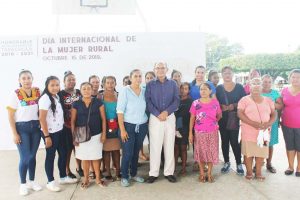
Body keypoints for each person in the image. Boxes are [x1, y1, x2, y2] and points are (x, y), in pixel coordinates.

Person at [39, 76, 78, 192]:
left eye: (57, 85)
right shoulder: (45, 98)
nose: (55, 87)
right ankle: (50, 181)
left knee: (63, 153)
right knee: (51, 156)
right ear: (47, 86)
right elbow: (42, 118)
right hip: (50, 133)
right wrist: (46, 136)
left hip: (60, 131)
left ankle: (63, 177)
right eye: (52, 85)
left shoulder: (56, 96)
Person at [7, 70, 42, 196]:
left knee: (32, 156)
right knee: (25, 157)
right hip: (22, 128)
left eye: (28, 78)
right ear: (19, 80)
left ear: (32, 79)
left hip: (36, 128)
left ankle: (32, 181)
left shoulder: (38, 91)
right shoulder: (15, 93)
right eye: (24, 78)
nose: (26, 80)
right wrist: (14, 133)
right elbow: (10, 115)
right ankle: (23, 184)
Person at [145, 62, 180, 184]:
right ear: (154, 69)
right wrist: (157, 113)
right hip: (155, 118)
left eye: (162, 68)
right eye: (158, 68)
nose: (160, 70)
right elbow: (148, 101)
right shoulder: (150, 85)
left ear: (167, 69)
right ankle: (153, 173)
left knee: (169, 144)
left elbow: (176, 100)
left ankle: (169, 172)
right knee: (155, 146)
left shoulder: (173, 84)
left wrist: (166, 112)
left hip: (169, 117)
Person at [238, 77, 276, 181]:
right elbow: (240, 113)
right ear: (249, 87)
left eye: (258, 83)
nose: (256, 86)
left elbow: (274, 113)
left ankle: (258, 172)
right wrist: (253, 123)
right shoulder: (244, 100)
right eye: (253, 84)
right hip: (248, 132)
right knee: (248, 154)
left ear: (262, 87)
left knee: (261, 154)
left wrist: (269, 123)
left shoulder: (268, 100)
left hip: (263, 133)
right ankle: (249, 172)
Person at [71, 82, 107, 189]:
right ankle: (86, 179)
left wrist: (104, 134)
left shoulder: (98, 102)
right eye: (84, 89)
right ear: (80, 91)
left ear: (92, 90)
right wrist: (74, 137)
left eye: (88, 88)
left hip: (97, 134)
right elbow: (72, 121)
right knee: (84, 158)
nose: (86, 90)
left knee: (96, 157)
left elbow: (103, 119)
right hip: (81, 136)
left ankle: (97, 178)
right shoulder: (76, 104)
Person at [117, 69, 149, 187]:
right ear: (130, 78)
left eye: (140, 76)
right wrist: (123, 130)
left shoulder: (144, 91)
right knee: (128, 153)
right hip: (128, 126)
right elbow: (120, 111)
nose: (138, 78)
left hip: (141, 126)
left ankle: (134, 174)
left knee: (136, 152)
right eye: (135, 76)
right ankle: (124, 176)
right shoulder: (125, 91)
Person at [189, 83, 222, 183]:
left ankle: (209, 173)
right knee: (201, 153)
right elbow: (192, 118)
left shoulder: (215, 102)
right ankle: (202, 173)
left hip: (212, 132)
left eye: (205, 89)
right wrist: (190, 133)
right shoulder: (195, 103)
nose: (203, 91)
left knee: (211, 152)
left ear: (210, 91)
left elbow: (219, 115)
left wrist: (213, 123)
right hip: (199, 132)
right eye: (201, 89)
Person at [216, 66, 246, 175]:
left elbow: (244, 102)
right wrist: (220, 107)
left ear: (232, 74)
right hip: (222, 118)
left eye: (229, 73)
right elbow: (215, 103)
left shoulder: (239, 87)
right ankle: (226, 162)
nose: (227, 75)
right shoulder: (219, 88)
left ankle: (238, 163)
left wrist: (233, 105)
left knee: (234, 141)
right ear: (222, 75)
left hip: (234, 118)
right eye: (225, 73)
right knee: (224, 141)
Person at [189, 65, 216, 171]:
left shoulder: (209, 84)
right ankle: (198, 160)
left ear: (205, 74)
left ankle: (206, 161)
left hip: (208, 119)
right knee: (197, 139)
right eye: (198, 72)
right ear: (195, 73)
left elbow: (214, 100)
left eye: (202, 72)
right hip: (194, 115)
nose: (200, 75)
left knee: (208, 142)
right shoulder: (191, 85)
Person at [59, 71, 81, 179]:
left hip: (79, 126)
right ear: (64, 82)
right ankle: (67, 170)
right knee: (68, 149)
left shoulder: (79, 92)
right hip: (66, 126)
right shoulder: (60, 94)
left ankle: (79, 167)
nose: (72, 81)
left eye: (73, 79)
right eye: (69, 80)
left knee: (78, 148)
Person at [261, 74, 283, 173]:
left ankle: (269, 164)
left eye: (269, 82)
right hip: (260, 123)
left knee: (270, 144)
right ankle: (258, 163)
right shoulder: (257, 92)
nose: (267, 84)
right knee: (260, 144)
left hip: (272, 122)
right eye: (265, 82)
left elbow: (280, 106)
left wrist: (270, 103)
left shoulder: (275, 93)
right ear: (261, 82)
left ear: (272, 83)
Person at [101, 76, 121, 181]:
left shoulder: (118, 95)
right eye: (107, 83)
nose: (110, 85)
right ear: (104, 84)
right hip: (104, 126)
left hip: (117, 125)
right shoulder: (100, 97)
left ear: (115, 84)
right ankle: (108, 172)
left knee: (116, 150)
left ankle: (118, 171)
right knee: (106, 151)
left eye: (112, 82)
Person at [281, 69, 300, 177]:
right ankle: (290, 166)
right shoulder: (284, 90)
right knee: (290, 146)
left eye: (298, 77)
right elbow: (280, 105)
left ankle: (299, 167)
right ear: (290, 78)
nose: (295, 79)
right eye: (293, 77)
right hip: (286, 124)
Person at [174, 82, 193, 176]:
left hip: (185, 128)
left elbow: (192, 117)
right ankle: (173, 167)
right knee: (175, 148)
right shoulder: (176, 100)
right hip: (175, 127)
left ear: (189, 90)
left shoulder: (191, 101)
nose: (183, 90)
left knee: (183, 148)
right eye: (182, 88)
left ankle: (184, 168)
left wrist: (190, 131)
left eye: (186, 88)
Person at [139, 71, 156, 161]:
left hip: (154, 118)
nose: (149, 80)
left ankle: (154, 159)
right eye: (147, 78)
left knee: (152, 139)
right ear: (144, 80)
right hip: (143, 119)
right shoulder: (142, 90)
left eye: (151, 78)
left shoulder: (157, 89)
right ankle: (141, 154)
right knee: (140, 138)